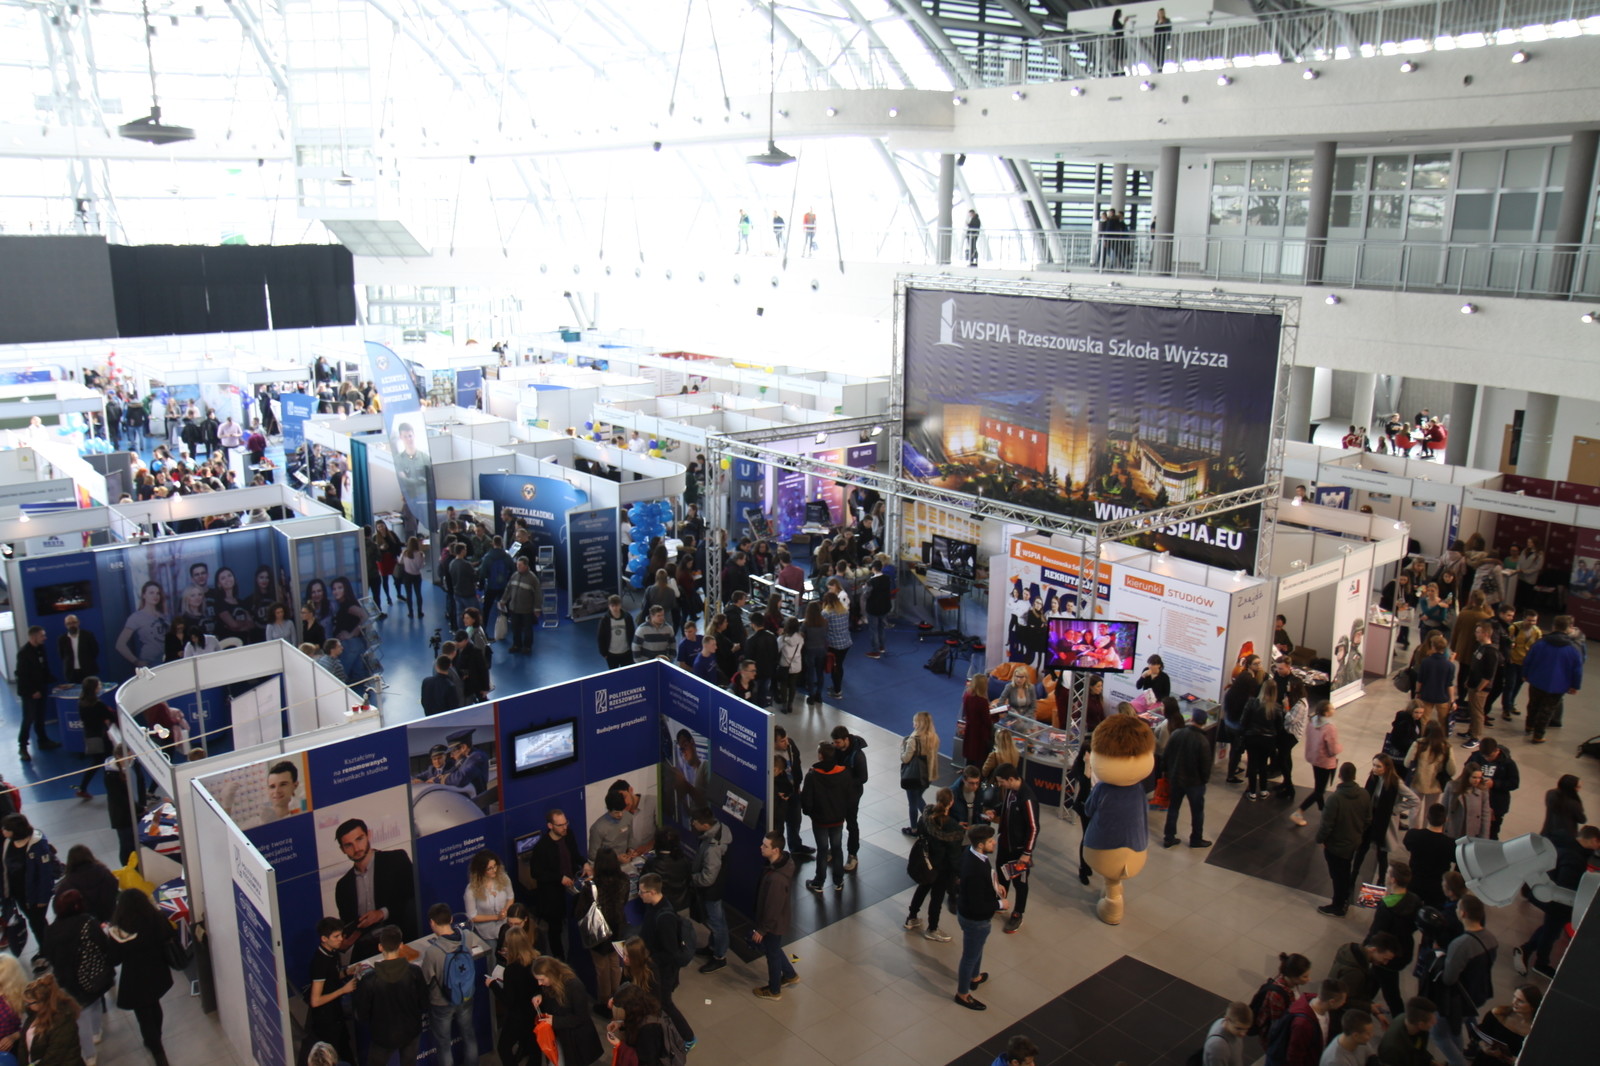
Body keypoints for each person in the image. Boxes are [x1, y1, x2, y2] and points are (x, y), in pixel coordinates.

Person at [106, 887, 174, 1066]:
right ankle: (157, 1038)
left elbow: (114, 959)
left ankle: (157, 1050)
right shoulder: (156, 918)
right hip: (157, 970)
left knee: (144, 1015)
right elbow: (168, 935)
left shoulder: (119, 930)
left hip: (135, 978)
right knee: (155, 1005)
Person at [41, 889, 111, 1063]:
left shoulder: (51, 930)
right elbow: (103, 945)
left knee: (80, 1017)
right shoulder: (87, 922)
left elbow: (48, 954)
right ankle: (96, 1032)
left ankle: (89, 1055)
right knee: (95, 1003)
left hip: (66, 980)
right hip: (91, 975)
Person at [333, 818, 418, 959]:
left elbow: (414, 898)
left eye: (359, 839)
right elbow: (350, 924)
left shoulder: (396, 859)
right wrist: (345, 941)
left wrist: (382, 913)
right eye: (348, 845)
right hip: (366, 949)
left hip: (400, 939)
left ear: (369, 835)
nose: (356, 848)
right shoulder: (343, 886)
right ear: (342, 849)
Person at [1430, 894, 1497, 1066]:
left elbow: (1449, 979)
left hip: (1457, 1001)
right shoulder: (1491, 938)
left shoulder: (1461, 944)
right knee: (1455, 1029)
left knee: (1438, 1034)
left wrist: (1440, 957)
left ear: (1463, 913)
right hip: (1476, 995)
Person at [354, 923, 429, 1066]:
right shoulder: (414, 972)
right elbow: (424, 1002)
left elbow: (361, 1014)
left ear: (380, 947)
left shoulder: (369, 980)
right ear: (401, 945)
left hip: (383, 1036)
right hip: (411, 1031)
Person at [635, 873, 695, 1049]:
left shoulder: (665, 918)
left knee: (665, 1003)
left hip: (664, 971)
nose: (639, 895)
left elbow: (670, 953)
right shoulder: (653, 907)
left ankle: (688, 1037)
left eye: (642, 892)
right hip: (654, 965)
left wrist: (648, 958)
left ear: (652, 892)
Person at [420, 903, 484, 1066]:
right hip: (466, 995)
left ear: (432, 922)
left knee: (444, 1045)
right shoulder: (467, 936)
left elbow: (425, 979)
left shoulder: (432, 952)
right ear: (451, 919)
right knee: (469, 1035)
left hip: (441, 1003)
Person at [746, 830, 801, 1002]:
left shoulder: (777, 879)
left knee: (772, 955)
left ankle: (774, 990)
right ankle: (790, 975)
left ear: (775, 850)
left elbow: (772, 907)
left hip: (773, 924)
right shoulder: (781, 865)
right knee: (774, 949)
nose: (761, 847)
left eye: (765, 846)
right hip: (778, 920)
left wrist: (762, 929)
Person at [1351, 754, 1419, 888]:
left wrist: (1394, 809)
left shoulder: (1395, 782)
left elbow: (1415, 800)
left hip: (1384, 821)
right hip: (1371, 818)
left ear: (1387, 767)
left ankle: (1382, 880)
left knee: (1382, 853)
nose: (1375, 769)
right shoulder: (1373, 777)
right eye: (1374, 765)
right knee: (1362, 848)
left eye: (1378, 766)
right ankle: (1353, 875)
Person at [527, 808, 586, 961]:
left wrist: (584, 863)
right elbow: (536, 873)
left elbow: (575, 854)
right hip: (552, 895)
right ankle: (559, 957)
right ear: (550, 826)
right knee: (556, 928)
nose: (564, 827)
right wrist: (559, 878)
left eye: (566, 823)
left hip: (571, 887)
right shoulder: (542, 847)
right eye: (560, 825)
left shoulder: (569, 835)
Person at [954, 824, 1001, 1011]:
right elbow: (978, 905)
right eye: (990, 841)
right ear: (981, 845)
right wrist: (1000, 904)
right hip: (975, 919)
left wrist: (995, 886)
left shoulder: (971, 853)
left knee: (977, 948)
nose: (994, 843)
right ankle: (963, 994)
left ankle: (975, 977)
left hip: (965, 911)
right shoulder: (976, 869)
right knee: (970, 956)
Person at [1316, 763, 1372, 917]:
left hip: (1336, 845)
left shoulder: (1335, 799)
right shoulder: (1364, 794)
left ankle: (1338, 905)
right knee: (1345, 871)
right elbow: (1368, 819)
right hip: (1353, 842)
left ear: (1340, 775)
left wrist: (1320, 839)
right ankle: (1344, 900)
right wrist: (1357, 832)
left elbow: (1326, 825)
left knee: (1338, 875)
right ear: (1354, 776)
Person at [303, 917, 358, 1065]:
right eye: (336, 936)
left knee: (345, 1049)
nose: (341, 939)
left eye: (341, 935)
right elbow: (315, 1001)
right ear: (324, 939)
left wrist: (347, 972)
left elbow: (332, 976)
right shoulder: (320, 963)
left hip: (336, 1014)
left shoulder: (333, 953)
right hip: (326, 1020)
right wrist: (343, 990)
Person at [992, 763, 1039, 935]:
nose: (1000, 785)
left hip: (1019, 851)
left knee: (1020, 883)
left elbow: (1034, 828)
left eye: (1001, 781)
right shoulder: (1011, 791)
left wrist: (1026, 853)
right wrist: (995, 811)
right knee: (1002, 874)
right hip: (1005, 844)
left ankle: (1018, 913)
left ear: (1011, 779)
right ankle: (1001, 901)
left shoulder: (1027, 798)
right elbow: (1005, 806)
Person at [1521, 614, 1583, 742]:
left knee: (1533, 704)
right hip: (1558, 685)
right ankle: (1538, 735)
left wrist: (1525, 674)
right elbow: (1577, 670)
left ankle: (1529, 726)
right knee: (1547, 710)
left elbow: (1528, 660)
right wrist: (1575, 686)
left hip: (1537, 680)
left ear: (1553, 626)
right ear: (1568, 628)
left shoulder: (1540, 643)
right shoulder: (1573, 649)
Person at [531, 956, 602, 1066]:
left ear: (551, 974)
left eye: (542, 979)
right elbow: (545, 992)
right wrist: (539, 995)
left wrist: (555, 1021)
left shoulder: (574, 986)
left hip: (575, 1039)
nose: (539, 983)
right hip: (560, 1035)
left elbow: (581, 1017)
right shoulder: (550, 983)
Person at [1, 812, 58, 949]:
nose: (3, 830)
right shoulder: (8, 842)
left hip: (35, 895)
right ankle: (47, 946)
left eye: (6, 828)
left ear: (15, 831)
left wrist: (42, 898)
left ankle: (47, 949)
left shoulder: (37, 845)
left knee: (37, 923)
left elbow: (45, 875)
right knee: (35, 922)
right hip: (19, 893)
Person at [800, 742, 851, 893]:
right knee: (837, 848)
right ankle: (838, 880)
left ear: (820, 756)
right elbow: (848, 795)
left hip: (820, 820)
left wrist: (809, 812)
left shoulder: (812, 775)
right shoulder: (844, 773)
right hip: (838, 819)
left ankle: (819, 882)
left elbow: (807, 800)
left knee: (822, 850)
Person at [1161, 709, 1213, 849]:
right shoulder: (1203, 741)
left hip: (1176, 778)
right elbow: (1206, 765)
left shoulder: (1177, 733)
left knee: (1173, 808)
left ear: (1191, 719)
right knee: (1197, 812)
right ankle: (1196, 839)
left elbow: (1166, 755)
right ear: (1204, 723)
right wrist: (1204, 780)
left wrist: (1166, 772)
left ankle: (1169, 838)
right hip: (1195, 783)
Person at [687, 808, 730, 975]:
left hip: (711, 891)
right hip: (716, 886)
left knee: (717, 924)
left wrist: (691, 879)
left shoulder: (713, 849)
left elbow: (707, 878)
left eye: (695, 822)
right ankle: (712, 947)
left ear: (705, 825)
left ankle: (719, 957)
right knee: (716, 921)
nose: (692, 824)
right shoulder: (720, 828)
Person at [14, 626, 60, 761]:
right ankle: (22, 747)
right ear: (34, 637)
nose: (45, 638)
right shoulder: (24, 653)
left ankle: (43, 741)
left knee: (40, 717)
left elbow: (43, 669)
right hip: (30, 693)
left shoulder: (40, 649)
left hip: (41, 689)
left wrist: (54, 682)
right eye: (42, 636)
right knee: (28, 719)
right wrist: (32, 692)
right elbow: (22, 676)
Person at [1280, 980, 1348, 1066]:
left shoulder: (1325, 1009)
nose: (1344, 1003)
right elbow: (1294, 1057)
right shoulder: (1303, 1024)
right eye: (1343, 1000)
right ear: (1332, 1002)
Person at [1467, 985, 1539, 1065]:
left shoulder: (1536, 1032)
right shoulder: (1498, 1014)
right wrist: (1483, 1046)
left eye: (1520, 1001)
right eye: (1514, 997)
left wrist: (1518, 1061)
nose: (1514, 1002)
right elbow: (1480, 1033)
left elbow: (1535, 1057)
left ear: (1532, 1006)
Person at [1403, 805, 1458, 909]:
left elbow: (1407, 845)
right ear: (1445, 820)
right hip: (1437, 889)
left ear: (1427, 816)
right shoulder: (1450, 844)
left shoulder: (1413, 835)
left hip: (1414, 883)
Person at [22, 974, 84, 1066]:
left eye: (29, 1003)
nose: (27, 1006)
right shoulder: (33, 1015)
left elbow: (54, 1056)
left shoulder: (63, 1020)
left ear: (42, 1002)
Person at [1464, 738, 1519, 840]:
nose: (1487, 759)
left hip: (1496, 803)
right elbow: (1466, 771)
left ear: (1497, 750)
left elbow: (1514, 783)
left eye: (1489, 756)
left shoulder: (1508, 763)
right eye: (1484, 756)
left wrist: (1495, 784)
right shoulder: (1476, 757)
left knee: (1491, 833)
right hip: (1475, 801)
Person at [73, 678, 114, 799]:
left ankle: (83, 787)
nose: (100, 686)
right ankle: (112, 790)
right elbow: (109, 717)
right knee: (108, 763)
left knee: (96, 762)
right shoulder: (98, 704)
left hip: (90, 735)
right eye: (99, 684)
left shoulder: (81, 702)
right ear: (94, 688)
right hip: (102, 737)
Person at [1404, 721, 1456, 817]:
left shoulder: (1418, 744)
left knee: (1415, 810)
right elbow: (1452, 770)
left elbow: (1407, 763)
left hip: (1417, 781)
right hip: (1435, 784)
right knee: (1430, 810)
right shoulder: (1447, 747)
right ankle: (1427, 826)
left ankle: (1413, 827)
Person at [900, 711, 939, 834]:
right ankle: (931, 823)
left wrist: (902, 747)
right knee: (918, 798)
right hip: (928, 774)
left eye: (915, 722)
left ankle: (914, 829)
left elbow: (905, 758)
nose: (913, 724)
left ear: (919, 724)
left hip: (914, 775)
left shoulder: (914, 740)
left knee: (913, 802)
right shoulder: (934, 737)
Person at [464, 850, 513, 942]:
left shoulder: (504, 878)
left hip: (506, 926)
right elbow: (472, 916)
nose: (494, 870)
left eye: (495, 866)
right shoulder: (471, 889)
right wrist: (497, 917)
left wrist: (506, 910)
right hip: (486, 932)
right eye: (489, 868)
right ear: (480, 870)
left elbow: (510, 897)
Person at [1375, 996, 1437, 1066]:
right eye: (1431, 1022)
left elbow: (1419, 1050)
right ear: (1421, 1024)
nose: (1435, 1022)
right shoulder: (1391, 1049)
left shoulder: (1413, 1022)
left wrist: (1431, 1061)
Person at [1444, 764, 1493, 840]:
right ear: (1467, 776)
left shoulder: (1482, 790)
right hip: (1452, 831)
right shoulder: (1451, 786)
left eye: (1479, 778)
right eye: (1474, 777)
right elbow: (1444, 808)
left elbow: (1485, 815)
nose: (1477, 780)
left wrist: (1484, 838)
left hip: (1472, 833)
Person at [821, 591, 852, 698]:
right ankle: (836, 686)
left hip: (834, 645)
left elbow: (822, 628)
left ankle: (837, 691)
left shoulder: (826, 613)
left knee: (835, 667)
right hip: (846, 642)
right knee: (839, 665)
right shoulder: (845, 610)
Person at [962, 672, 994, 768]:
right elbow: (987, 721)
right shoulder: (982, 701)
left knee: (970, 756)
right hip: (980, 734)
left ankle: (966, 771)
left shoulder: (967, 696)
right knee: (979, 759)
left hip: (970, 730)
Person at [596, 595, 636, 670]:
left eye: (617, 605)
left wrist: (632, 649)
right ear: (609, 606)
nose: (615, 608)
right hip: (611, 654)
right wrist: (604, 653)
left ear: (620, 605)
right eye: (612, 606)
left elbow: (632, 633)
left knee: (627, 672)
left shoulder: (627, 617)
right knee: (614, 673)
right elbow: (601, 637)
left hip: (626, 652)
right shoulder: (605, 620)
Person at [56, 615, 100, 683]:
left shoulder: (88, 635)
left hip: (88, 670)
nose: (72, 625)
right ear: (66, 625)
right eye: (69, 623)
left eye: (74, 622)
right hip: (71, 672)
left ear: (78, 622)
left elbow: (95, 651)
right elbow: (62, 655)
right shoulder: (62, 639)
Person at [1541, 774, 1585, 839]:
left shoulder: (1550, 793)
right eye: (1577, 787)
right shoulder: (1574, 804)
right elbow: (1582, 820)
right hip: (1566, 835)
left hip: (1548, 830)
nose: (1579, 789)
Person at [863, 560, 892, 658]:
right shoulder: (887, 578)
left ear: (873, 568)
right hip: (885, 607)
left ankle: (875, 652)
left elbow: (866, 595)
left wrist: (864, 588)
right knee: (881, 628)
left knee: (873, 630)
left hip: (873, 608)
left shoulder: (871, 582)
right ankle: (881, 647)